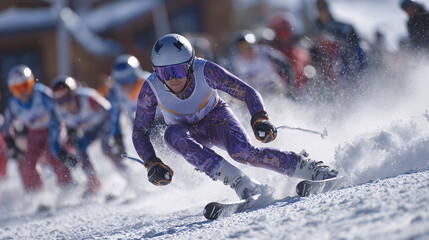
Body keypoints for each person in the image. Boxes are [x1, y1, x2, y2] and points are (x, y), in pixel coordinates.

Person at [132, 34, 338, 200]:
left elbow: (246, 92)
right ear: (156, 73)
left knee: (242, 152)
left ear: (190, 64)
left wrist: (259, 117)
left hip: (216, 119)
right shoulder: (151, 89)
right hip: (186, 132)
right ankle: (240, 182)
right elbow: (140, 131)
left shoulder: (204, 70)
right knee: (172, 134)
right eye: (165, 73)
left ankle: (307, 167)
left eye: (178, 69)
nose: (173, 78)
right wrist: (151, 163)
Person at [49, 76, 126, 196]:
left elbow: (112, 112)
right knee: (79, 146)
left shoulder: (88, 98)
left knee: (106, 149)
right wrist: (61, 154)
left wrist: (117, 134)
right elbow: (53, 139)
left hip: (105, 124)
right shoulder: (57, 111)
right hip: (90, 131)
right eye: (60, 101)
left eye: (68, 99)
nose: (65, 104)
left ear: (74, 94)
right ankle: (93, 181)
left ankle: (126, 173)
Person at [1, 65, 74, 192]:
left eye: (24, 86)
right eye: (17, 89)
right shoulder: (13, 104)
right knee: (28, 162)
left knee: (54, 155)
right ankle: (36, 193)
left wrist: (68, 126)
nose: (22, 92)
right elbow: (6, 125)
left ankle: (67, 186)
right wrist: (10, 142)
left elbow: (59, 109)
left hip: (51, 128)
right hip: (33, 133)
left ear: (30, 83)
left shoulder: (41, 94)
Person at [107, 54, 152, 158]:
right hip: (138, 125)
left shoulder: (148, 82)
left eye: (129, 80)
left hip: (159, 121)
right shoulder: (115, 91)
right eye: (121, 82)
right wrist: (116, 135)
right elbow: (114, 114)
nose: (125, 85)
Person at [228, 30, 294, 99]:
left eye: (245, 46)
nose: (243, 51)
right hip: (250, 90)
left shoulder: (265, 53)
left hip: (271, 85)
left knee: (274, 93)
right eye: (240, 48)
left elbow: (287, 66)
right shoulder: (235, 61)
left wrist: (289, 87)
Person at [267, 13, 313, 95]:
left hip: (298, 92)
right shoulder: (270, 52)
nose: (283, 36)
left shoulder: (299, 52)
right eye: (280, 32)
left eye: (285, 32)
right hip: (277, 90)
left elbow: (304, 73)